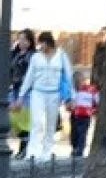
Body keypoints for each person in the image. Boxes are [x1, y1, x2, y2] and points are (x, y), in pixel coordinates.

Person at [19, 30, 73, 159]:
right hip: (38, 92)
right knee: (36, 122)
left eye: (42, 43)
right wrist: (22, 94)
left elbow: (68, 76)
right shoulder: (36, 57)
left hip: (54, 94)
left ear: (48, 43)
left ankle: (47, 152)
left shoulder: (61, 56)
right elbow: (29, 76)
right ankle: (33, 152)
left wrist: (71, 96)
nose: (40, 46)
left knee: (51, 123)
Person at [9, 29, 35, 158]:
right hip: (15, 88)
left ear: (29, 42)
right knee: (14, 118)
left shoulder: (32, 56)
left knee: (24, 119)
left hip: (26, 91)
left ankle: (24, 148)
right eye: (19, 39)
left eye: (24, 39)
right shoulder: (15, 54)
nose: (21, 42)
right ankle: (24, 144)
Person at [69, 74, 99, 159]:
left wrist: (93, 110)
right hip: (76, 115)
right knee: (75, 132)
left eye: (82, 80)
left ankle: (80, 150)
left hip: (86, 115)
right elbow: (72, 102)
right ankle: (75, 147)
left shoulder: (91, 90)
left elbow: (97, 100)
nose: (81, 83)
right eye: (78, 81)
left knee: (82, 133)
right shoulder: (75, 91)